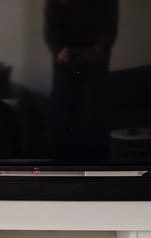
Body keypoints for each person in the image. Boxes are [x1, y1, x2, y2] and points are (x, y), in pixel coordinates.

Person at [44, 0, 118, 160]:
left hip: (95, 66)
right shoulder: (54, 3)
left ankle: (91, 163)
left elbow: (109, 30)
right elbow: (50, 31)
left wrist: (99, 50)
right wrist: (58, 50)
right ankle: (62, 162)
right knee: (62, 115)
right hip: (65, 65)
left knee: (91, 116)